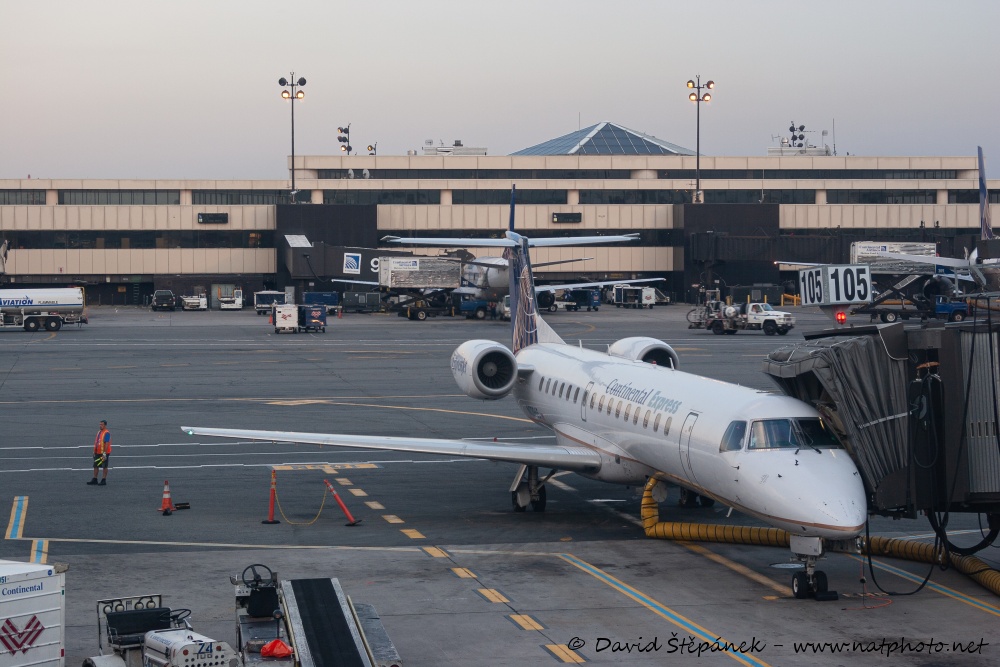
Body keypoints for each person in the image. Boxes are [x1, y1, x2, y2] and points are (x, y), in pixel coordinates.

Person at [87, 420, 112, 485]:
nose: (100, 426)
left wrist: (104, 453)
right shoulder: (99, 432)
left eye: (102, 424)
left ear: (105, 425)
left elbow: (106, 443)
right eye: (100, 424)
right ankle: (95, 479)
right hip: (97, 452)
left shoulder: (107, 433)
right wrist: (94, 451)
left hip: (103, 453)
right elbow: (97, 442)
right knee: (95, 465)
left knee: (104, 466)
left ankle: (104, 480)